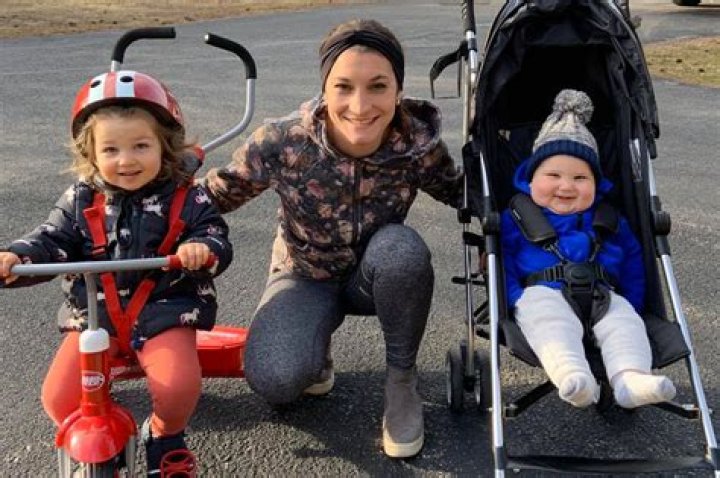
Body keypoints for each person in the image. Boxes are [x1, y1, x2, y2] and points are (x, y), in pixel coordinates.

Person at [202, 19, 461, 458]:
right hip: (304, 275)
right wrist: (138, 200)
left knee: (402, 250)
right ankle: (314, 352)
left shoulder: (417, 144)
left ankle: (401, 380)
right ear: (325, 88)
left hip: (375, 275)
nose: (360, 105)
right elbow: (212, 197)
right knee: (276, 379)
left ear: (398, 89)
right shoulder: (283, 142)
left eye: (378, 86)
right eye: (344, 87)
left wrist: (548, 196)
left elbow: (463, 193)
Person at [0, 70, 233, 476]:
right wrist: (17, 257)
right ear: (90, 154)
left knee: (178, 386)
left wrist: (202, 249)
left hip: (165, 311)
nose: (126, 160)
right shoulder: (80, 199)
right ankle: (95, 439)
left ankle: (164, 436)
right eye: (110, 149)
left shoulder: (187, 196)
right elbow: (51, 238)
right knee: (58, 399)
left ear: (165, 145)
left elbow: (214, 235)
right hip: (96, 316)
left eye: (141, 146)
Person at [500, 89, 676, 409]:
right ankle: (573, 375)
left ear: (596, 184)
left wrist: (633, 303)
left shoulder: (609, 218)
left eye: (580, 178)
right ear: (531, 178)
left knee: (625, 325)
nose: (567, 186)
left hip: (604, 293)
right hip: (542, 292)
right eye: (553, 175)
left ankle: (631, 380)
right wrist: (513, 297)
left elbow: (634, 262)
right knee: (549, 323)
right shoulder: (516, 216)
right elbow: (504, 261)